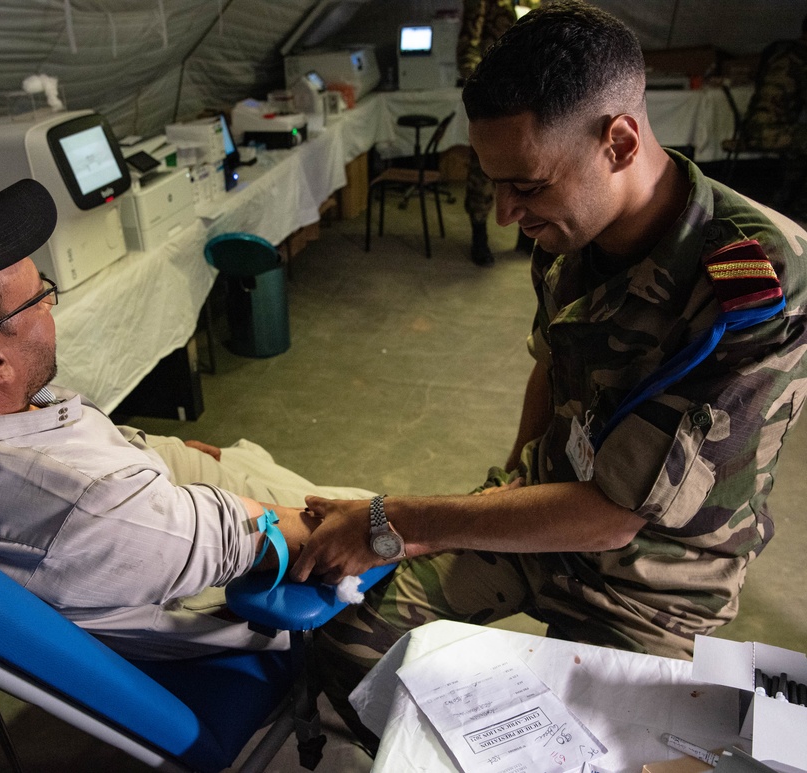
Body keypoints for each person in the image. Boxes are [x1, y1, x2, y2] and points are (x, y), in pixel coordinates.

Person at [290, 0, 807, 747]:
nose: (505, 214)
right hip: (549, 509)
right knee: (350, 638)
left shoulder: (756, 280)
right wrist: (509, 486)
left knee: (589, 751)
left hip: (655, 578)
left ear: (619, 142)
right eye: (495, 182)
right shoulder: (567, 228)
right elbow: (552, 362)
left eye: (526, 185)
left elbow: (615, 513)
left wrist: (395, 517)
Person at [0, 179, 373, 661]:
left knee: (252, 462)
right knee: (370, 513)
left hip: (153, 510)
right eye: (40, 298)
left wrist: (157, 450)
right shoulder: (93, 503)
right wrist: (417, 523)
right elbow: (313, 535)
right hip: (229, 596)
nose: (50, 308)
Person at [457, 0, 517, 266]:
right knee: (484, 171)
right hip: (492, 102)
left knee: (527, 169)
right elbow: (467, 47)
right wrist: (480, 88)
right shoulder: (481, 4)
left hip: (527, 99)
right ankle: (479, 237)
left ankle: (527, 238)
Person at [738, 15, 807, 216]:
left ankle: (786, 199)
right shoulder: (800, 58)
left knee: (799, 145)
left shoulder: (778, 50)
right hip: (771, 132)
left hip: (751, 127)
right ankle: (798, 207)